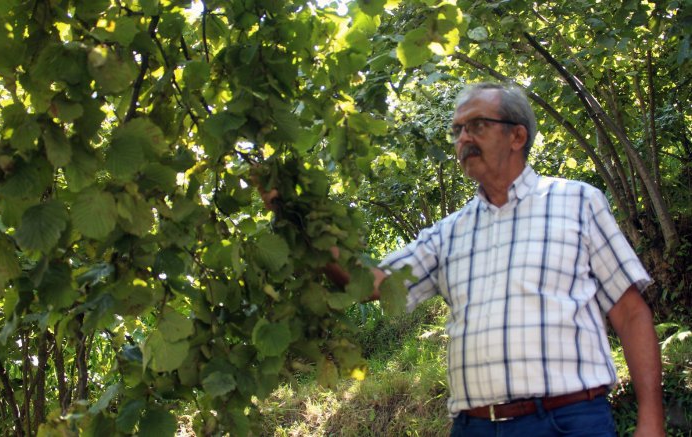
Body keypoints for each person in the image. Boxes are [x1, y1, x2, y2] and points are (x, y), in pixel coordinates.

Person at [258, 82, 665, 436]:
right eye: (457, 131)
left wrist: (651, 420)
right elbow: (372, 283)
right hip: (475, 426)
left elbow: (630, 314)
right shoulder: (448, 233)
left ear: (517, 136)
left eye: (477, 126)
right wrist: (296, 220)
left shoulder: (577, 201)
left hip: (568, 421)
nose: (463, 138)